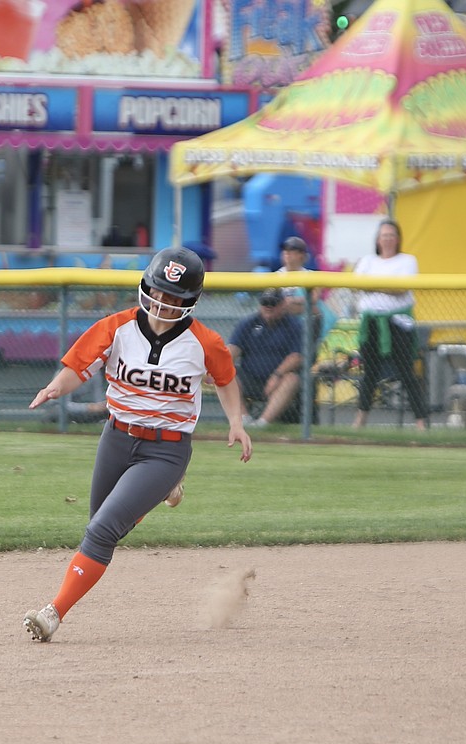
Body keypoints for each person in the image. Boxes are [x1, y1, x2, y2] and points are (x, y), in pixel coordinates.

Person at [22, 247, 252, 643]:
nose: (162, 302)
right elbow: (78, 367)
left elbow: (226, 379)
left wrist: (236, 422)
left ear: (190, 302)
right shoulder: (117, 327)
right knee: (99, 522)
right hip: (117, 437)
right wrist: (54, 387)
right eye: (157, 291)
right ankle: (166, 490)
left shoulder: (205, 342)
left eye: (173, 297)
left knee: (102, 531)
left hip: (166, 450)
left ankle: (53, 612)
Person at [351, 219, 429, 430]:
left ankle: (421, 422)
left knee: (407, 373)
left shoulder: (407, 260)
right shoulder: (367, 261)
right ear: (377, 240)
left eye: (391, 236)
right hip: (372, 324)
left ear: (398, 239)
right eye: (383, 236)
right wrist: (385, 286)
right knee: (369, 373)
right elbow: (356, 286)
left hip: (398, 323)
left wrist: (374, 286)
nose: (387, 240)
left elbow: (401, 289)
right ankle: (360, 421)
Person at [228, 287, 305, 427]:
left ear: (283, 305)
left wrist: (276, 375)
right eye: (265, 303)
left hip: (279, 379)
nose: (268, 307)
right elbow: (232, 350)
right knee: (224, 373)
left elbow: (297, 356)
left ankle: (262, 423)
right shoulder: (248, 323)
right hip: (250, 377)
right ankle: (243, 419)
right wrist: (219, 366)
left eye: (273, 303)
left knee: (292, 379)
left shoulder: (294, 325)